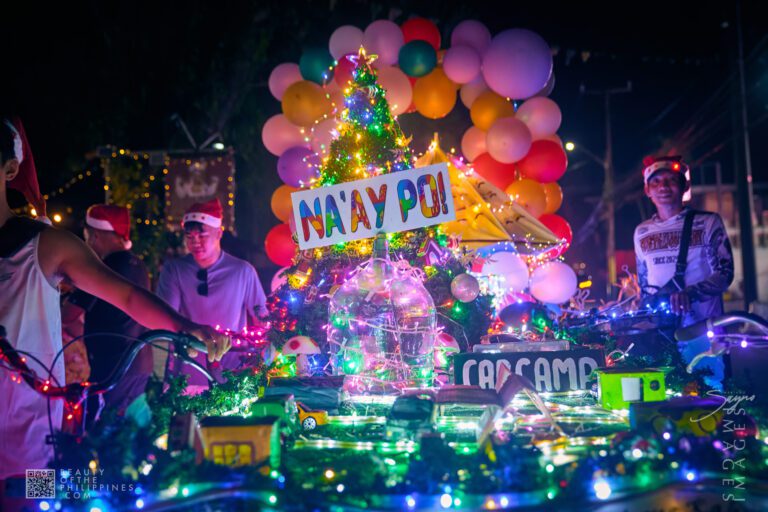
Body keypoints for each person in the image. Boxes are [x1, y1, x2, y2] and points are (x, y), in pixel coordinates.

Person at [0, 118, 231, 482]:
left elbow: (126, 295)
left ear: (10, 168)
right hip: (106, 378)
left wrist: (184, 327)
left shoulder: (44, 245)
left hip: (29, 442)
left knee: (48, 493)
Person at [633, 155, 734, 385]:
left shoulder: (708, 222)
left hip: (704, 330)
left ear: (685, 186)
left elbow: (725, 272)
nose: (663, 187)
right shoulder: (641, 232)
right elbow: (644, 285)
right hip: (663, 332)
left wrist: (690, 293)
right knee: (666, 393)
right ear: (647, 190)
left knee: (711, 392)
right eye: (656, 182)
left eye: (671, 180)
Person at [157, 198, 268, 391]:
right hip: (186, 373)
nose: (195, 242)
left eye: (202, 235)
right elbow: (165, 316)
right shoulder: (174, 269)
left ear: (219, 233)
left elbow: (263, 320)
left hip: (232, 372)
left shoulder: (242, 271)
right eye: (189, 236)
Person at [66, 204, 153, 417]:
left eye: (87, 236)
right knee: (132, 428)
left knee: (106, 429)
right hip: (139, 363)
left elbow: (68, 315)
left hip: (112, 368)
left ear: (95, 235)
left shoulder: (101, 268)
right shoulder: (138, 265)